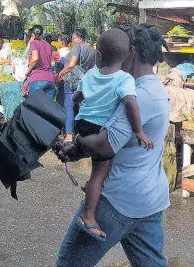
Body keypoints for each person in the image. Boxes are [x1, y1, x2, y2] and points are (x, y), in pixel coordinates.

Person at [54, 24, 170, 267]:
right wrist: (78, 148)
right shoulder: (154, 88)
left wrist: (75, 144)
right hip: (148, 198)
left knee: (68, 263)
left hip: (117, 200)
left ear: (132, 53)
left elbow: (104, 146)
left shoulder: (139, 94)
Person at [70, 28, 155, 243]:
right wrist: (138, 131)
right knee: (99, 173)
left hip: (82, 123)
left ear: (98, 55)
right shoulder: (124, 79)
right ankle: (88, 216)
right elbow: (130, 103)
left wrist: (86, 101)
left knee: (97, 169)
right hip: (99, 128)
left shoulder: (90, 74)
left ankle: (91, 189)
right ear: (128, 55)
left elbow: (77, 97)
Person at [56, 29, 95, 142]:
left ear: (79, 37)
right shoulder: (91, 49)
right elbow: (93, 67)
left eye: (73, 38)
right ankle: (82, 133)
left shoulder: (77, 47)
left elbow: (72, 64)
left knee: (69, 107)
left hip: (72, 81)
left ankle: (69, 134)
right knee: (82, 107)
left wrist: (60, 73)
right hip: (85, 81)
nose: (72, 41)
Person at [26, 25, 56, 99]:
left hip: (37, 79)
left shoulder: (34, 43)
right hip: (50, 79)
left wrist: (28, 71)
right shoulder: (48, 45)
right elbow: (51, 63)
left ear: (32, 35)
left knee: (35, 107)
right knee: (47, 108)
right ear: (42, 34)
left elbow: (35, 58)